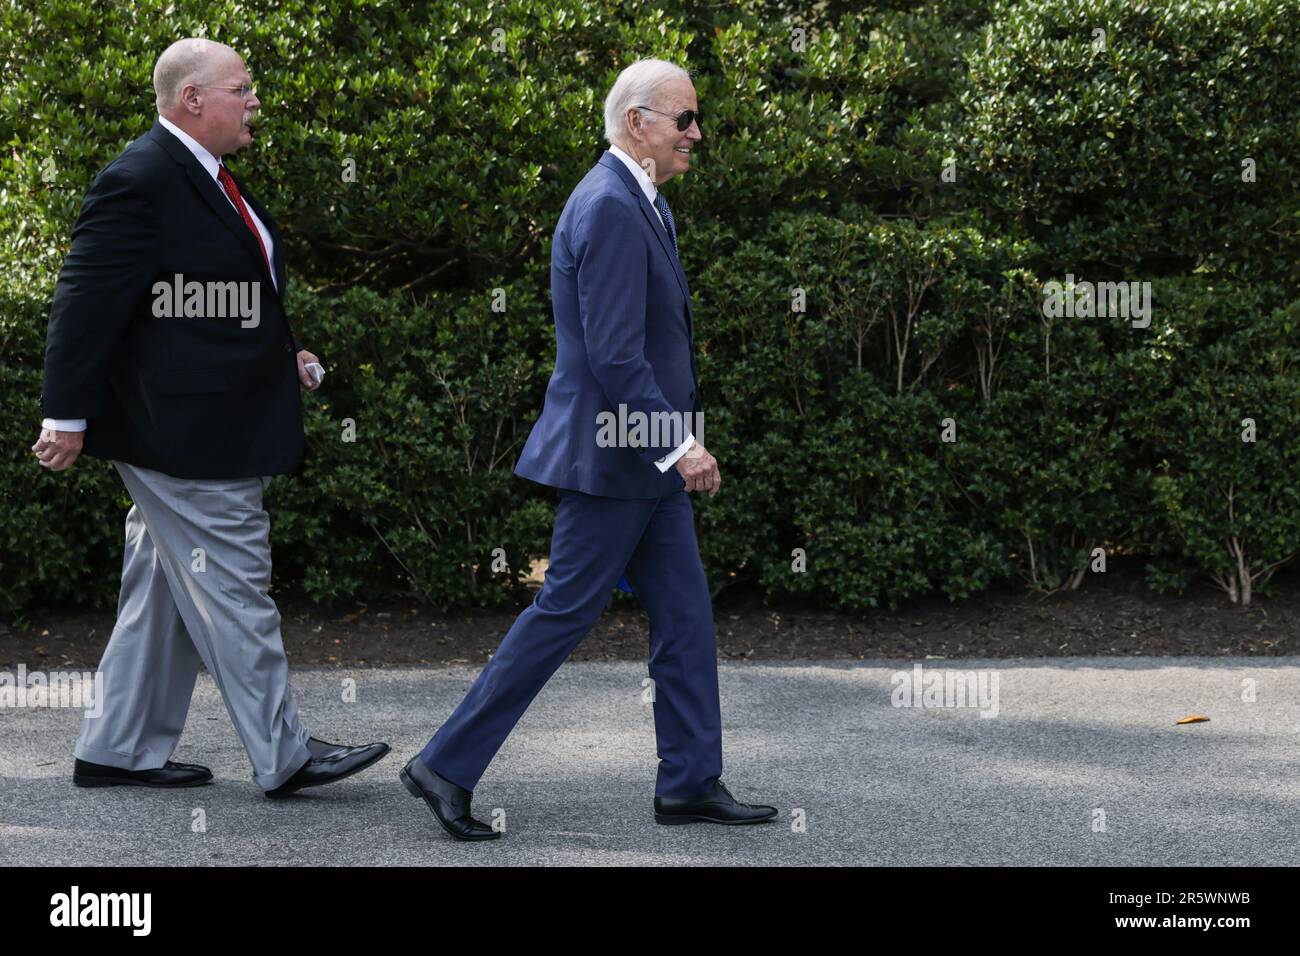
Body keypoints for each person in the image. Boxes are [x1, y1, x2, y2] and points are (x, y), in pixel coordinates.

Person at [399, 58, 777, 839]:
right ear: (637, 121)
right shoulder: (608, 204)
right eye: (684, 120)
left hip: (639, 461)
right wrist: (677, 446)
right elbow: (613, 356)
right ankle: (444, 764)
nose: (696, 134)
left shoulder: (638, 199)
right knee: (563, 613)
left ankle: (690, 781)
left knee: (685, 618)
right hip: (618, 459)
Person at [34, 37, 388, 797]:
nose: (255, 100)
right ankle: (285, 755)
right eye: (242, 88)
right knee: (234, 582)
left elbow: (219, 300)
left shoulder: (209, 178)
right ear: (192, 99)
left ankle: (118, 748)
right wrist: (65, 416)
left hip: (204, 419)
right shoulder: (140, 180)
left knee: (163, 587)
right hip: (186, 436)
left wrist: (281, 354)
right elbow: (84, 306)